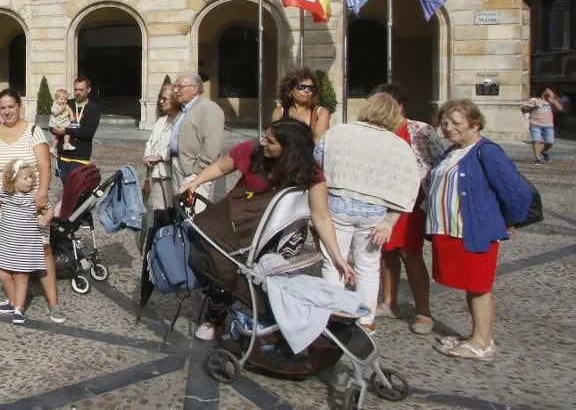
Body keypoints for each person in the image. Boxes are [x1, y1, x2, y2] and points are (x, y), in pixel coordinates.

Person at [179, 119, 355, 340]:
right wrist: (196, 182)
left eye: (270, 141)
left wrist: (337, 256)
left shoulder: (310, 171)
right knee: (225, 265)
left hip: (278, 230)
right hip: (238, 221)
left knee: (271, 276)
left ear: (289, 149)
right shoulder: (252, 151)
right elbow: (222, 166)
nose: (263, 143)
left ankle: (273, 321)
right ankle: (214, 318)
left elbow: (320, 216)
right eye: (264, 137)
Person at [427, 99, 533, 360]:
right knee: (469, 285)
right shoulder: (454, 150)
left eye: (456, 123)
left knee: (479, 286)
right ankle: (475, 334)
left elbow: (516, 192)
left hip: (472, 230)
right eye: (444, 123)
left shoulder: (487, 151)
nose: (449, 128)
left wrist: (507, 220)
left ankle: (482, 342)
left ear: (474, 123)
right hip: (452, 230)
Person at [314, 93, 422, 330]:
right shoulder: (399, 145)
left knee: (333, 261)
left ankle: (332, 314)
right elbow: (409, 183)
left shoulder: (338, 132)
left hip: (338, 204)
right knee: (368, 266)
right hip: (374, 212)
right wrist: (390, 221)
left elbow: (317, 161)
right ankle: (365, 320)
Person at [0, 88, 64, 323]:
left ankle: (54, 303)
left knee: (42, 249)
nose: (7, 111)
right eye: (3, 107)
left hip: (29, 201)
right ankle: (15, 300)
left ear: (19, 106)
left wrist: (44, 193)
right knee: (7, 252)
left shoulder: (33, 131)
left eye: (11, 106)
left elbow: (45, 166)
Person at [371, 84, 445, 335]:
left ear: (401, 105)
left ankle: (424, 311)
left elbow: (439, 161)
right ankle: (389, 301)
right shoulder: (375, 132)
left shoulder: (420, 130)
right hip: (382, 198)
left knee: (410, 252)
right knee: (385, 251)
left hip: (411, 201)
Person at [0, 160, 52, 325]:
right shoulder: (4, 194)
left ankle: (19, 307)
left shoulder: (34, 197)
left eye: (31, 177)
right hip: (6, 243)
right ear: (12, 180)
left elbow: (50, 208)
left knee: (21, 276)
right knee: (2, 273)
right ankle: (12, 301)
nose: (31, 180)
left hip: (26, 245)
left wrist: (45, 217)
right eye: (26, 178)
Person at [171, 74, 225, 201]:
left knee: (194, 212)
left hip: (195, 172)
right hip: (179, 167)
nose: (176, 91)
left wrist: (198, 169)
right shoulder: (185, 109)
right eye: (175, 86)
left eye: (180, 87)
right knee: (181, 210)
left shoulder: (209, 108)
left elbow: (212, 144)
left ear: (194, 89)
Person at [51, 76, 100, 180]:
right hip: (63, 155)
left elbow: (88, 132)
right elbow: (54, 122)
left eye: (81, 90)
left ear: (88, 90)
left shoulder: (93, 108)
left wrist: (65, 130)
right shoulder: (67, 103)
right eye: (76, 89)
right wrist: (53, 129)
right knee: (66, 190)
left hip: (80, 157)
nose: (78, 92)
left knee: (77, 191)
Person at [142, 84, 181, 211]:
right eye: (161, 98)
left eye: (165, 99)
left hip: (170, 173)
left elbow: (179, 145)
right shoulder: (160, 121)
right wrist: (147, 156)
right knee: (158, 211)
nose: (161, 102)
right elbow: (150, 141)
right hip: (155, 172)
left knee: (171, 209)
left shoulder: (181, 121)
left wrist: (160, 156)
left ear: (174, 100)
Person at [271, 68, 330, 141]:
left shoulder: (321, 112)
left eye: (310, 88)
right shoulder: (279, 112)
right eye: (301, 87)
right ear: (290, 90)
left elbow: (319, 143)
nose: (307, 90)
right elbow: (275, 140)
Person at [522, 88, 558, 164]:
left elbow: (560, 108)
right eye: (548, 90)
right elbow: (523, 109)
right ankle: (537, 159)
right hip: (535, 124)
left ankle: (544, 152)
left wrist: (553, 100)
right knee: (536, 141)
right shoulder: (534, 100)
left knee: (550, 142)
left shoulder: (550, 101)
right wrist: (533, 107)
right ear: (543, 92)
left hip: (548, 125)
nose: (551, 92)